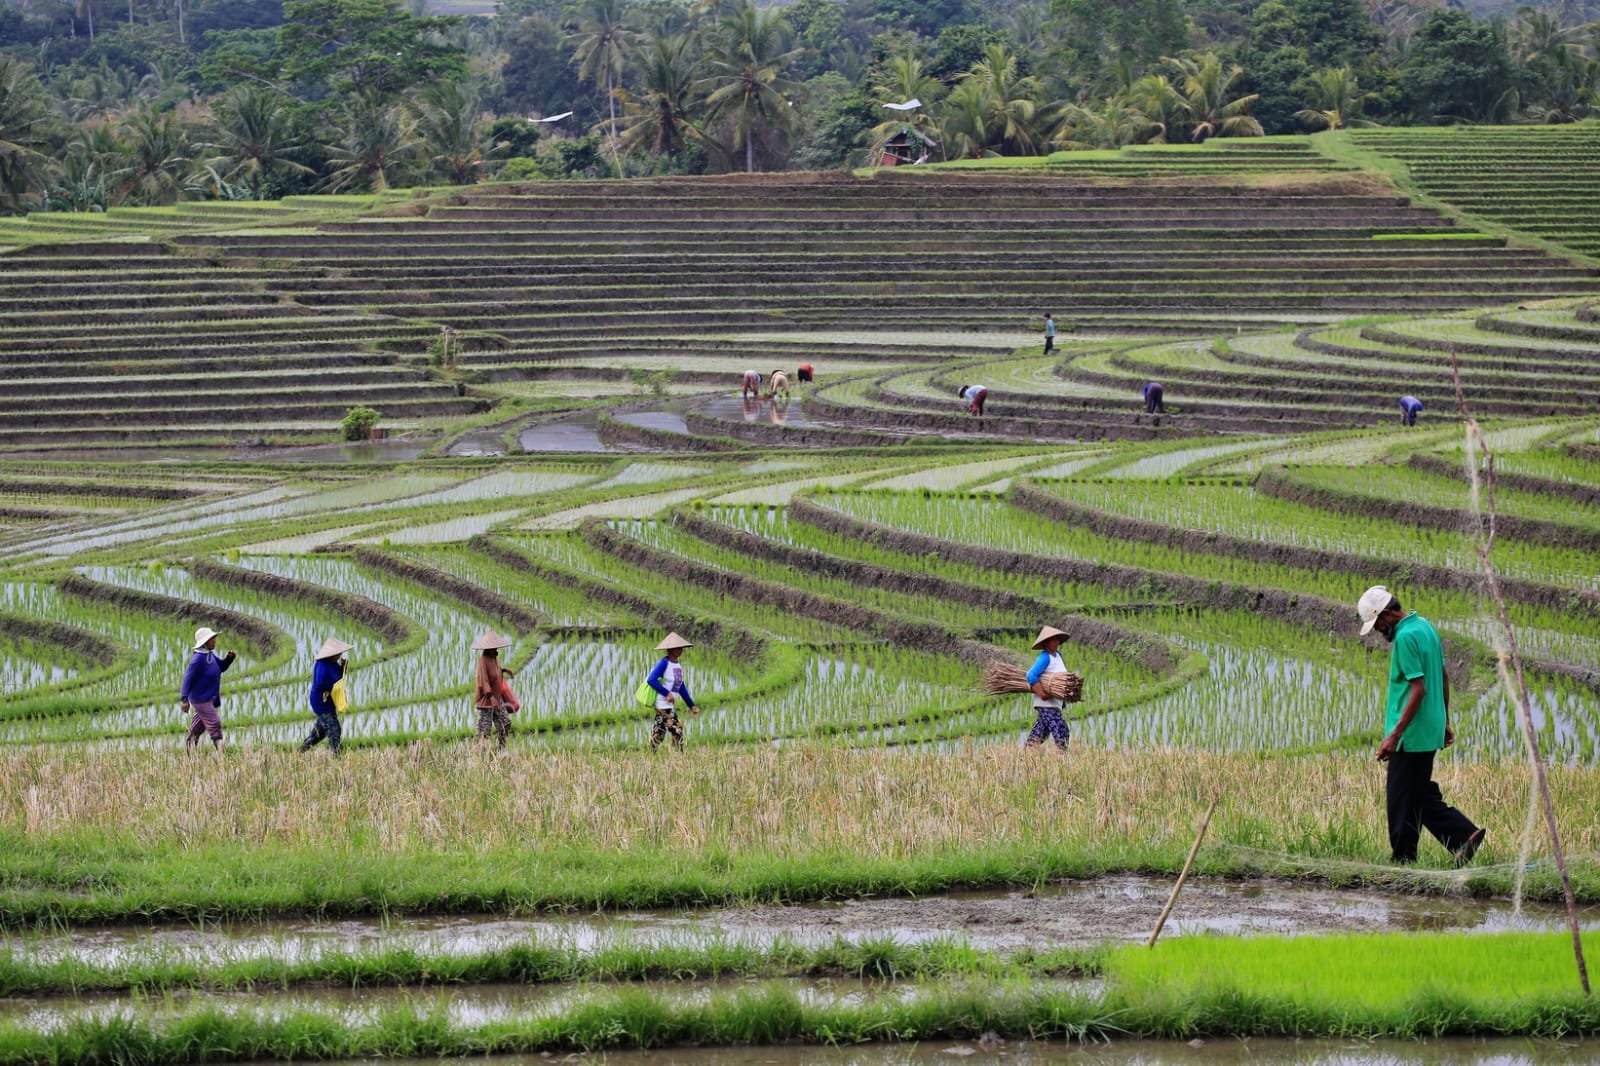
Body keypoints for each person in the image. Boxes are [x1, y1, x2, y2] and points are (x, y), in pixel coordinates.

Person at [1357, 586, 1484, 866]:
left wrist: (1394, 735)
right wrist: (1444, 721)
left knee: (1400, 799)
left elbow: (1418, 690)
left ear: (1388, 614)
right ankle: (1463, 837)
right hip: (1428, 728)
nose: (1379, 630)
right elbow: (1443, 677)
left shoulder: (1405, 637)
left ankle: (1405, 860)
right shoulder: (1425, 626)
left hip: (1411, 734)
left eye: (1378, 624)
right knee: (1417, 793)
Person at [180, 626, 235, 752]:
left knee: (197, 728)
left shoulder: (210, 655)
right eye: (212, 639)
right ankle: (222, 754)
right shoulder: (198, 659)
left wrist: (229, 659)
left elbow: (221, 667)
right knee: (214, 723)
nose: (214, 641)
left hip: (209, 698)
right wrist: (184, 699)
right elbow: (188, 678)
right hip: (201, 699)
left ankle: (190, 750)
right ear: (205, 642)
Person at [646, 632, 698, 750]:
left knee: (660, 733)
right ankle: (679, 756)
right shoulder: (664, 663)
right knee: (677, 729)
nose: (680, 650)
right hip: (662, 705)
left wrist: (691, 705)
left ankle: (653, 754)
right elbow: (651, 680)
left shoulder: (677, 665)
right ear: (670, 649)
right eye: (677, 647)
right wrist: (667, 693)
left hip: (668, 706)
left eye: (681, 647)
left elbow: (680, 687)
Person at [301, 637, 352, 755]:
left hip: (329, 701)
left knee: (320, 732)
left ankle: (300, 751)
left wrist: (343, 668)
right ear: (331, 654)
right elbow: (321, 682)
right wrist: (333, 687)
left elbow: (338, 677)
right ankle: (336, 756)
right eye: (338, 653)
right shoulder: (322, 665)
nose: (340, 655)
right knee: (334, 729)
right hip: (321, 701)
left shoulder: (333, 664)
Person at [1024, 625, 1072, 751]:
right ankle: (1063, 757)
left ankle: (1026, 754)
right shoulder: (1045, 657)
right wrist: (1042, 694)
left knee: (1041, 731)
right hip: (1046, 703)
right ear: (1046, 643)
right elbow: (1031, 675)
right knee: (1061, 729)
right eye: (1053, 640)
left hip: (1055, 702)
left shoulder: (1058, 656)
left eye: (1057, 639)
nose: (1057, 642)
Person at [472, 630, 515, 749]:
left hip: (497, 697)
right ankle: (478, 753)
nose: (496, 649)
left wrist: (505, 670)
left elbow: (495, 672)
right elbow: (483, 680)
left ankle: (500, 749)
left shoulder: (495, 657)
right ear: (487, 648)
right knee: (484, 730)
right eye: (494, 647)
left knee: (505, 723)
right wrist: (491, 698)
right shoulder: (483, 660)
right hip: (487, 701)